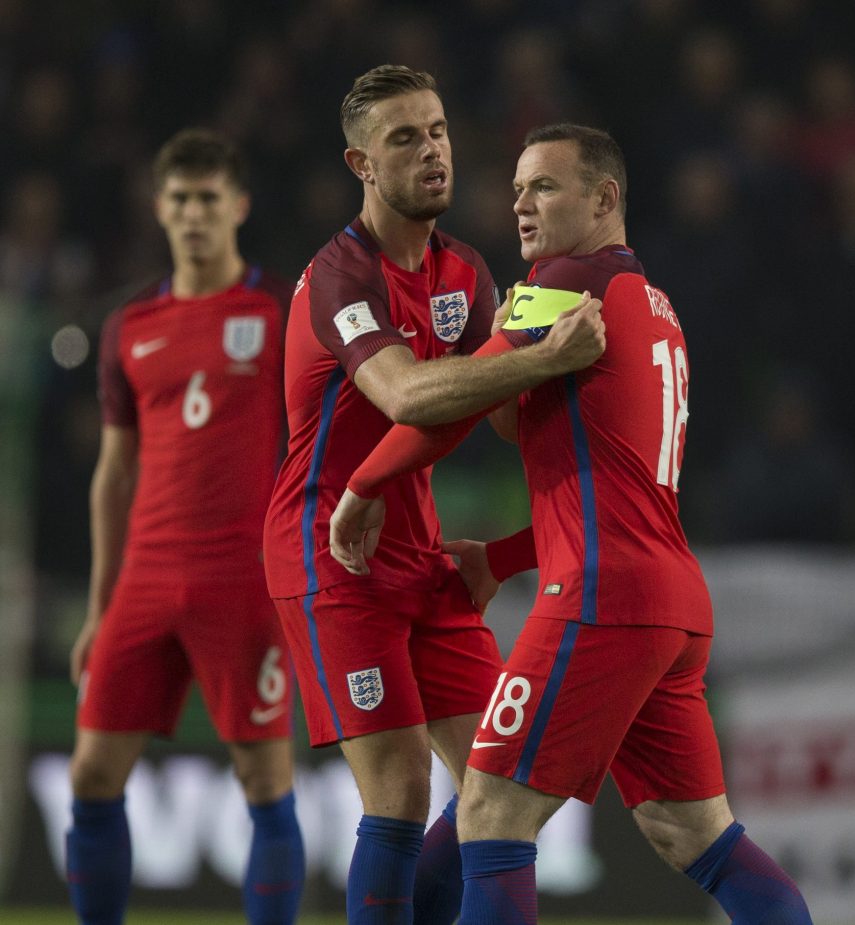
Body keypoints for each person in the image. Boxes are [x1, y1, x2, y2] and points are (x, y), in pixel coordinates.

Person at [330, 123, 815, 924]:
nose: (521, 202)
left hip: (602, 601)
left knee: (490, 811)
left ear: (604, 198)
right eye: (517, 187)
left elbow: (455, 404)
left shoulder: (565, 284)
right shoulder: (655, 307)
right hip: (669, 600)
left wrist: (367, 481)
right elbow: (615, 486)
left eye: (544, 187)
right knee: (696, 834)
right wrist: (507, 554)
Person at [261, 66, 604, 925]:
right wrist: (546, 358)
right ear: (361, 163)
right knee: (402, 790)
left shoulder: (466, 271)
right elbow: (409, 396)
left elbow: (496, 413)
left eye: (440, 130)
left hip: (425, 557)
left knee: (503, 771)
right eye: (404, 138)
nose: (433, 151)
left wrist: (596, 382)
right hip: (331, 554)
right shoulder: (338, 277)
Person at [67, 129, 304, 925]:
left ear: (237, 206)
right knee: (92, 772)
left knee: (264, 779)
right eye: (179, 199)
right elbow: (114, 472)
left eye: (208, 198)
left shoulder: (277, 313)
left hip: (242, 577)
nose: (194, 213)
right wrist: (101, 607)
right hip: (146, 575)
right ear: (158, 208)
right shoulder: (129, 324)